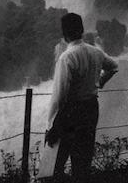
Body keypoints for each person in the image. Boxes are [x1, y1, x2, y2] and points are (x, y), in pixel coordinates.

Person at [46, 13, 119, 182]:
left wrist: (51, 125)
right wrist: (100, 82)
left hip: (71, 111)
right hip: (91, 108)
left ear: (65, 34)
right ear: (82, 30)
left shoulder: (67, 57)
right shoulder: (96, 52)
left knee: (55, 164)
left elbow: (60, 95)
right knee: (83, 160)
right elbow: (114, 67)